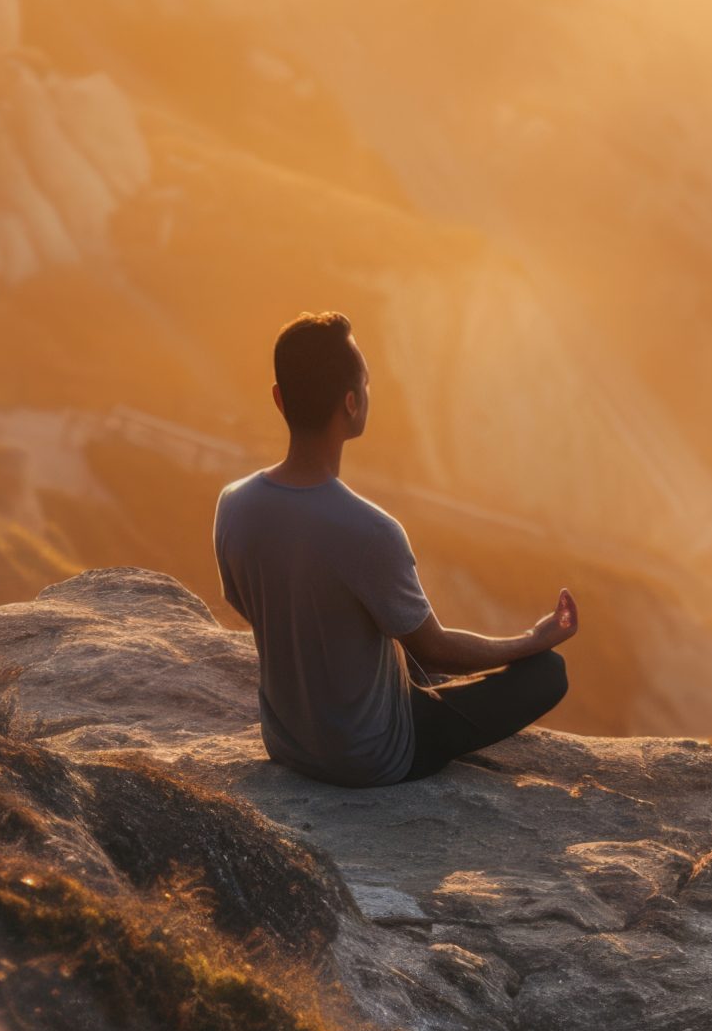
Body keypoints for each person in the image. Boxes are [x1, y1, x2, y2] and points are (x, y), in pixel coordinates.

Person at [211, 311, 578, 786]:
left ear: (279, 400)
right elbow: (437, 650)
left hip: (286, 741)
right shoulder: (370, 530)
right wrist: (534, 639)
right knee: (548, 673)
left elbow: (247, 604)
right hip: (373, 756)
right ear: (351, 403)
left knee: (410, 663)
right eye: (366, 383)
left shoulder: (234, 503)